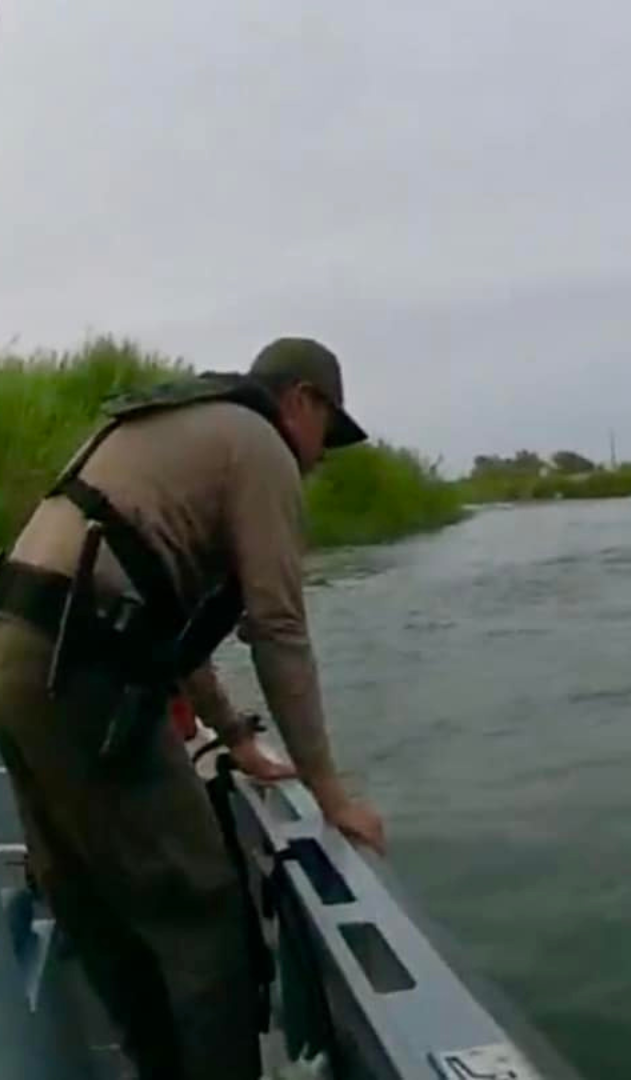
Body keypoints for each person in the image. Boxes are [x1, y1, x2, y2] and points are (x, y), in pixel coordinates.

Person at [0, 337, 386, 1079]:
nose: (320, 457)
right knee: (205, 908)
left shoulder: (178, 425)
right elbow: (278, 628)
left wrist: (236, 733)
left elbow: (158, 625)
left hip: (19, 658)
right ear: (301, 399)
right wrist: (330, 792)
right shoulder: (261, 446)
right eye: (326, 434)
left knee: (94, 900)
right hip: (79, 673)